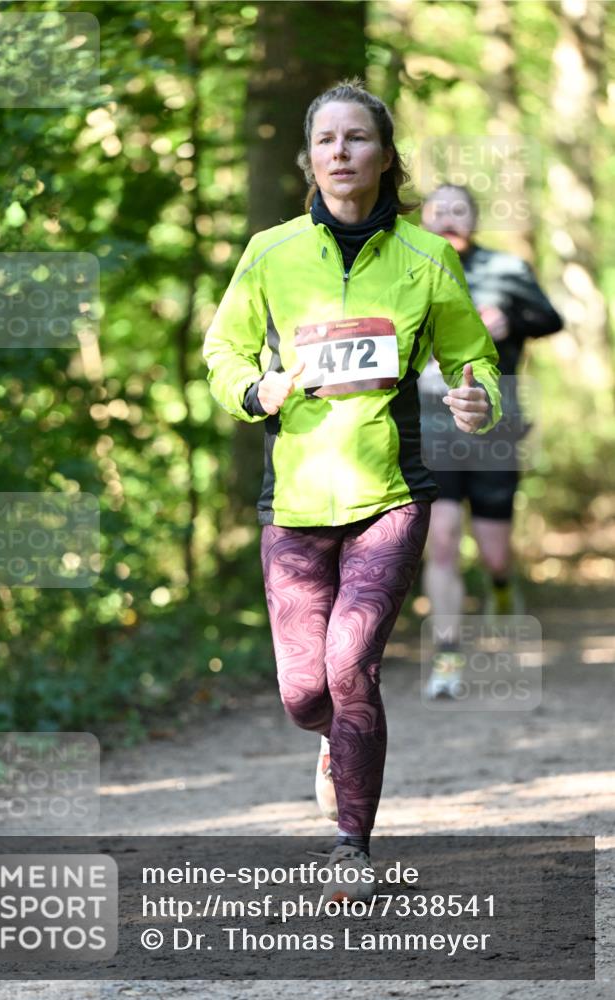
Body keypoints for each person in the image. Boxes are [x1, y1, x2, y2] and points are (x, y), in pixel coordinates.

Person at [203, 80, 501, 900]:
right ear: (307, 158)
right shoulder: (269, 252)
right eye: (326, 139)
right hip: (293, 504)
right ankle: (331, 739)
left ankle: (350, 847)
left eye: (357, 138)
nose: (341, 152)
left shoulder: (425, 257)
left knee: (348, 666)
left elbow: (472, 360)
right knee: (305, 692)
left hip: (389, 496)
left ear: (384, 156)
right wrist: (256, 392)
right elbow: (222, 352)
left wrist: (477, 400)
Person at [419, 184, 563, 699]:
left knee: (494, 552)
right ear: (425, 219)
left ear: (475, 220)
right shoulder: (410, 270)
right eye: (440, 212)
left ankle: (501, 586)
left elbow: (552, 319)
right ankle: (448, 657)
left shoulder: (506, 270)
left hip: (495, 427)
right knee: (441, 542)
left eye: (460, 211)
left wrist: (513, 319)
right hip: (430, 424)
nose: (450, 219)